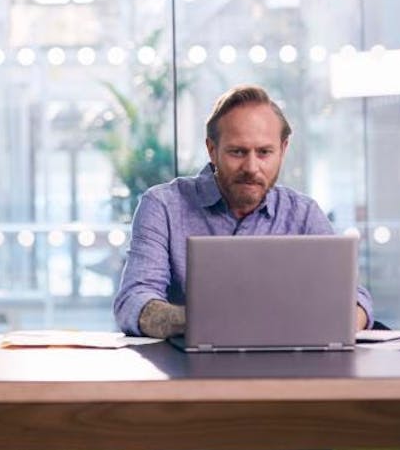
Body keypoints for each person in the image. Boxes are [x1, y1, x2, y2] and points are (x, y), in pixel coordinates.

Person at [113, 84, 373, 338]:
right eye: (237, 152)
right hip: (189, 373)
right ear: (212, 150)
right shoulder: (163, 206)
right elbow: (134, 302)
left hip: (289, 369)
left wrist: (343, 320)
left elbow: (355, 298)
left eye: (264, 152)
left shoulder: (303, 214)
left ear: (282, 150)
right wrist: (219, 322)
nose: (251, 166)